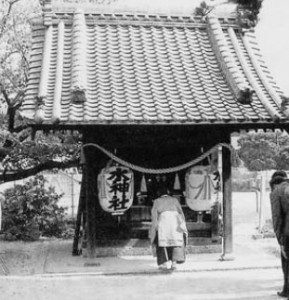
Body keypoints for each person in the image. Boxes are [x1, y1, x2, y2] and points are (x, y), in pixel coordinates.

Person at [149, 185, 188, 271]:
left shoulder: (157, 201)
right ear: (168, 192)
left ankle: (163, 263)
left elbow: (154, 216)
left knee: (162, 243)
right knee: (175, 243)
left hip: (163, 224)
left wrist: (154, 228)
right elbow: (181, 213)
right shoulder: (175, 200)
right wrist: (183, 226)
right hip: (175, 225)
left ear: (159, 194)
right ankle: (174, 263)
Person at [269, 170, 289, 298]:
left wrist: (280, 242)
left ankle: (287, 290)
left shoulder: (276, 192)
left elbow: (277, 218)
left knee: (287, 262)